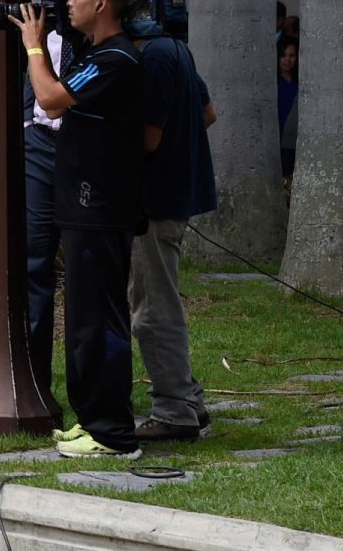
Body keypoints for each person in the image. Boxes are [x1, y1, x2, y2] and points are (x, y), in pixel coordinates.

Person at [13, 0, 146, 459]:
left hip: (100, 208)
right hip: (85, 207)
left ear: (101, 4)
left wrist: (32, 42)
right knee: (84, 319)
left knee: (100, 321)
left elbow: (48, 99)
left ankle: (113, 432)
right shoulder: (99, 55)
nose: (67, 3)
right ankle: (92, 418)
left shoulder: (115, 59)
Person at [24, 0, 114, 399]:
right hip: (39, 142)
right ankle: (35, 386)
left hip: (84, 147)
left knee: (86, 272)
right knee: (34, 262)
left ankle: (92, 392)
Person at [130, 31, 218, 442]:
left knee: (153, 308)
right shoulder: (177, 49)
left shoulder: (153, 59)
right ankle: (187, 398)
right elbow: (208, 113)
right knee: (157, 301)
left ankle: (175, 408)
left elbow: (149, 137)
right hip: (173, 197)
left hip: (155, 204)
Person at [276, 36, 299, 180]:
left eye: (292, 56)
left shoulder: (301, 82)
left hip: (296, 140)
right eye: (283, 55)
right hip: (279, 141)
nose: (287, 60)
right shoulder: (273, 84)